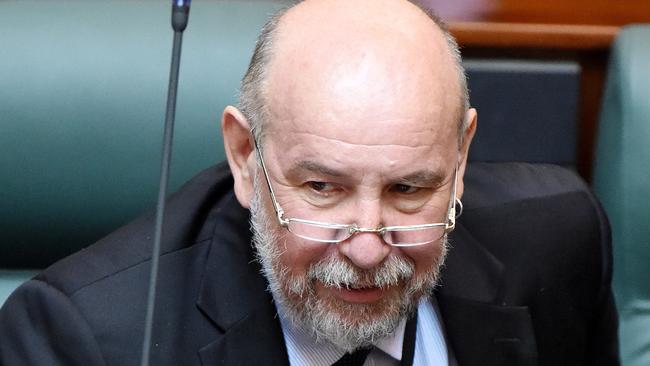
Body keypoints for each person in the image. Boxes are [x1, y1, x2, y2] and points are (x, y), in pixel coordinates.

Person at [0, 0, 618, 365]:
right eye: (322, 189)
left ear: (459, 162)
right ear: (246, 158)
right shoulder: (86, 340)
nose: (369, 248)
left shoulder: (559, 244)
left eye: (408, 191)